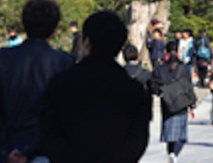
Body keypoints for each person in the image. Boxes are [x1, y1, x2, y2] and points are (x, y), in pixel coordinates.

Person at [39, 11, 151, 163]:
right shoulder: (135, 90)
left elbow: (49, 134)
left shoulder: (60, 83)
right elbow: (137, 141)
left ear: (87, 42)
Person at [0, 0, 72, 163]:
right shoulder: (63, 63)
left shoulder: (0, 58)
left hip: (7, 146)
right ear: (54, 29)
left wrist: (4, 149)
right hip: (45, 150)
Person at [151, 41, 196, 163]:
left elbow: (153, 85)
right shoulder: (184, 68)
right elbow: (188, 87)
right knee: (181, 135)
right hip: (181, 102)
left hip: (167, 103)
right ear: (178, 52)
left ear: (165, 51)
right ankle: (174, 154)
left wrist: (161, 93)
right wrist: (192, 106)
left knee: (169, 135)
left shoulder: (159, 69)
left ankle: (171, 153)